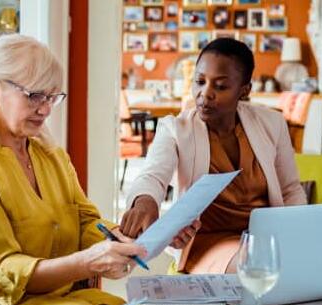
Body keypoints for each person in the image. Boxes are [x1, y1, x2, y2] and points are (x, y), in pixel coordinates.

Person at [0, 34, 146, 305]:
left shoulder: (50, 154)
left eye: (51, 97)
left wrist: (123, 238)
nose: (44, 108)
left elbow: (86, 222)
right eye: (34, 96)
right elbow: (3, 273)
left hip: (49, 297)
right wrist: (88, 262)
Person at [120, 38, 307, 274]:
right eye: (199, 81)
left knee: (304, 265)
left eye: (220, 86)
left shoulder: (271, 123)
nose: (205, 94)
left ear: (244, 90)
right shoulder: (176, 129)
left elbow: (290, 189)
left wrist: (299, 233)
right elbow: (153, 176)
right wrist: (144, 201)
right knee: (257, 266)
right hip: (208, 241)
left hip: (265, 237)